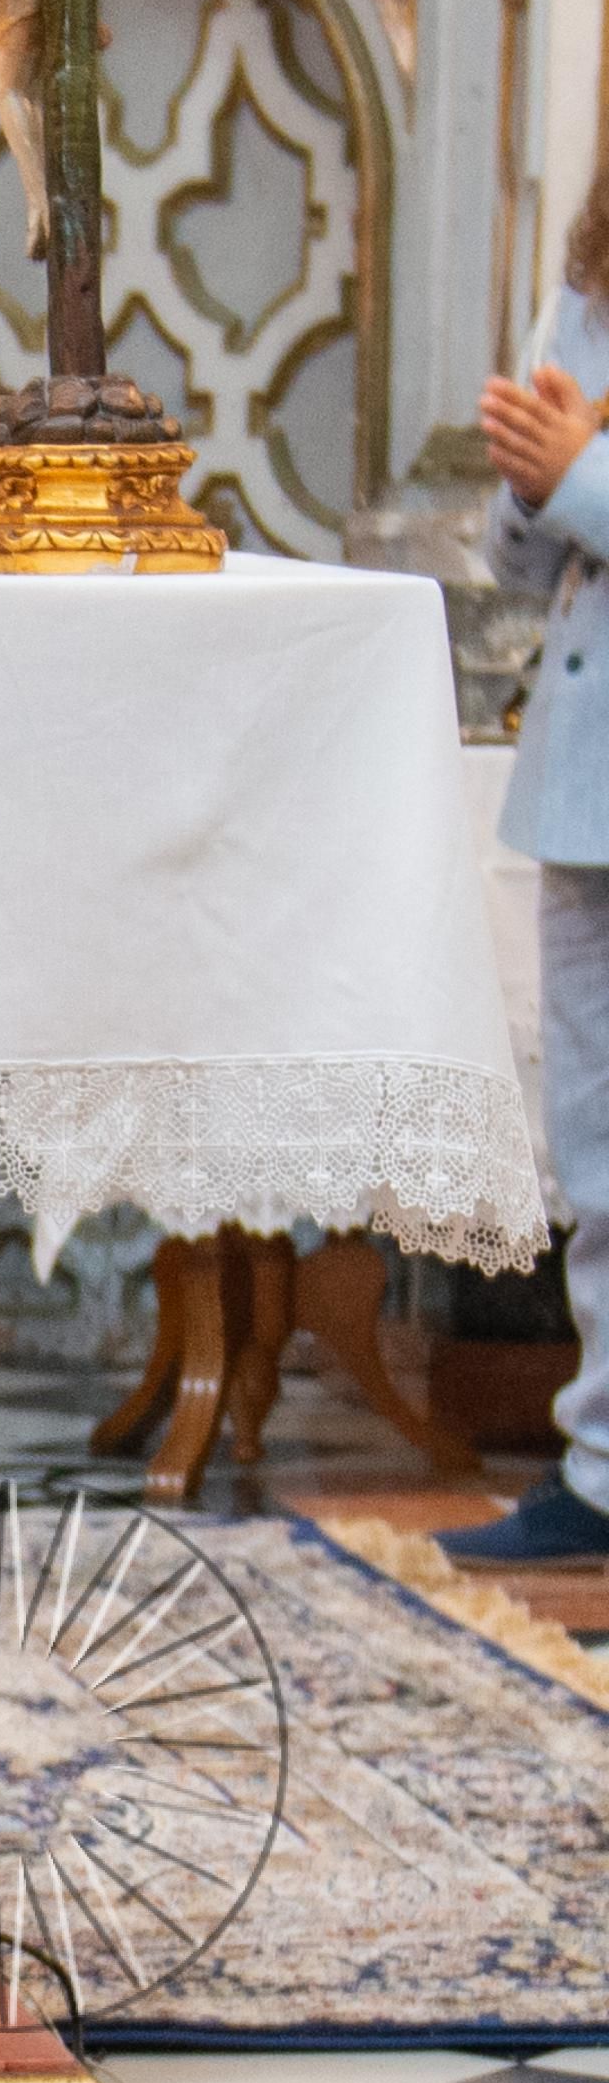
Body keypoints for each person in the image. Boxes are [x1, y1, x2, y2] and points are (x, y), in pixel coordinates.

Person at [448, 203, 609, 1569]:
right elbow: (521, 558)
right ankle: (603, 1470)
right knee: (598, 1149)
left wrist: (581, 472)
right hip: (584, 779)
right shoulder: (588, 291)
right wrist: (531, 480)